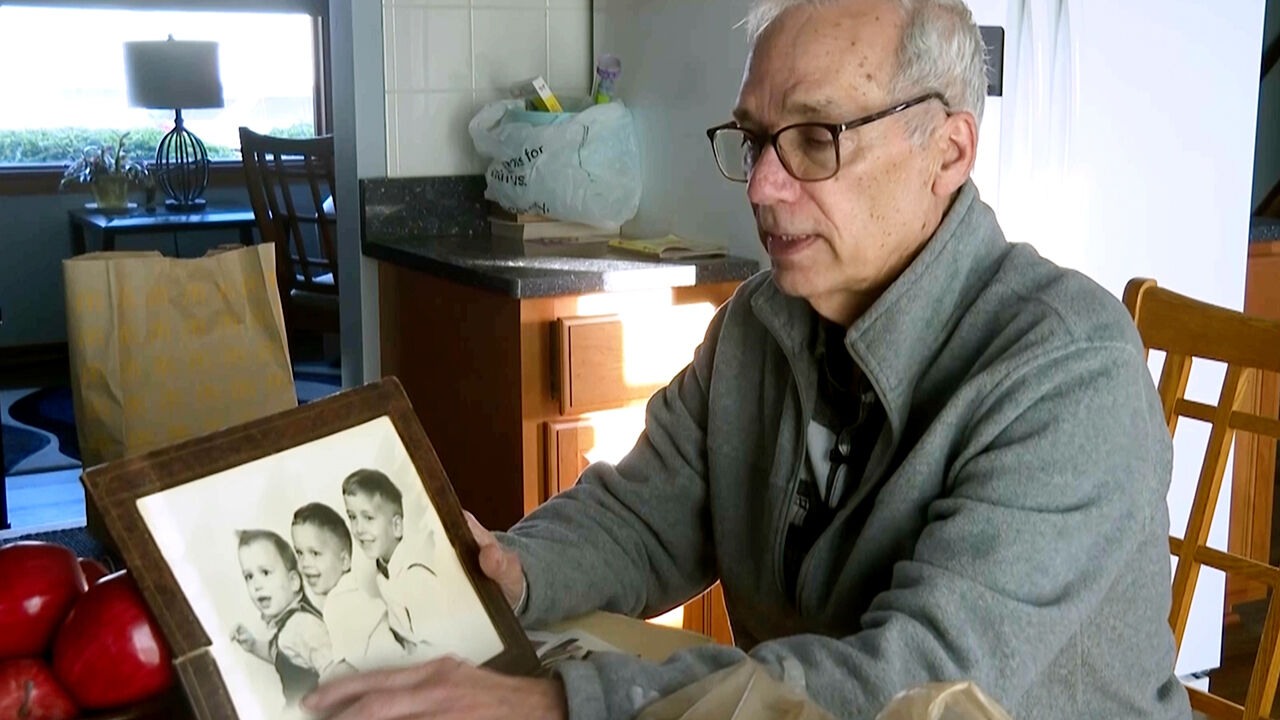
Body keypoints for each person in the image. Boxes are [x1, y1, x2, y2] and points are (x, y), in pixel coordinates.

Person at [303, 0, 1190, 718]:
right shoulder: (761, 321)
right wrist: (515, 566)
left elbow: (908, 691)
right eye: (756, 139)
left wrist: (559, 703)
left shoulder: (1069, 374)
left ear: (948, 151)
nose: (763, 185)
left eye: (816, 137)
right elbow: (647, 515)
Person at [340, 468, 447, 655]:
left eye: (368, 517)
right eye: (352, 517)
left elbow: (439, 645)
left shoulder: (415, 577)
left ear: (396, 526)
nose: (358, 528)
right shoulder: (383, 570)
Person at [290, 502, 404, 672]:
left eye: (315, 553)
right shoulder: (349, 595)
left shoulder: (340, 604)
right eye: (299, 553)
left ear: (344, 561)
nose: (305, 563)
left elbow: (346, 670)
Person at [230, 529, 336, 707]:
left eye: (265, 573)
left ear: (294, 581)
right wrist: (254, 645)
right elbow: (285, 656)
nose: (256, 585)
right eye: (249, 576)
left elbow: (338, 672)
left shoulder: (302, 625)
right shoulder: (288, 628)